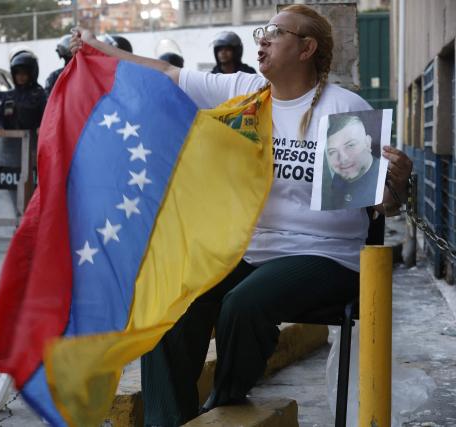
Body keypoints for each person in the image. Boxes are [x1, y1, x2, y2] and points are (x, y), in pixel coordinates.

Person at [70, 4, 413, 426]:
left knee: (243, 303)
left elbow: (382, 207)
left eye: (276, 33)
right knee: (171, 302)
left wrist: (396, 184)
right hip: (251, 250)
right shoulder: (247, 93)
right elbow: (165, 74)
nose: (263, 40)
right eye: (263, 33)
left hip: (327, 256)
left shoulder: (343, 109)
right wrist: (98, 50)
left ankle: (225, 399)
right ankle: (167, 419)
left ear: (306, 48)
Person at [0, 50, 46, 216]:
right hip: (10, 153)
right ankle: (17, 219)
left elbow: (46, 117)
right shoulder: (9, 95)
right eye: (18, 74)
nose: (21, 77)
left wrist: (41, 127)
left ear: (32, 74)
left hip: (33, 151)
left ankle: (32, 218)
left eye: (24, 74)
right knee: (13, 188)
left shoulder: (40, 95)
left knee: (32, 187)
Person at [322, 114, 381, 210]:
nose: (343, 158)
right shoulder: (337, 179)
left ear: (367, 143)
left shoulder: (385, 177)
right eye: (333, 152)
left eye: (350, 145)